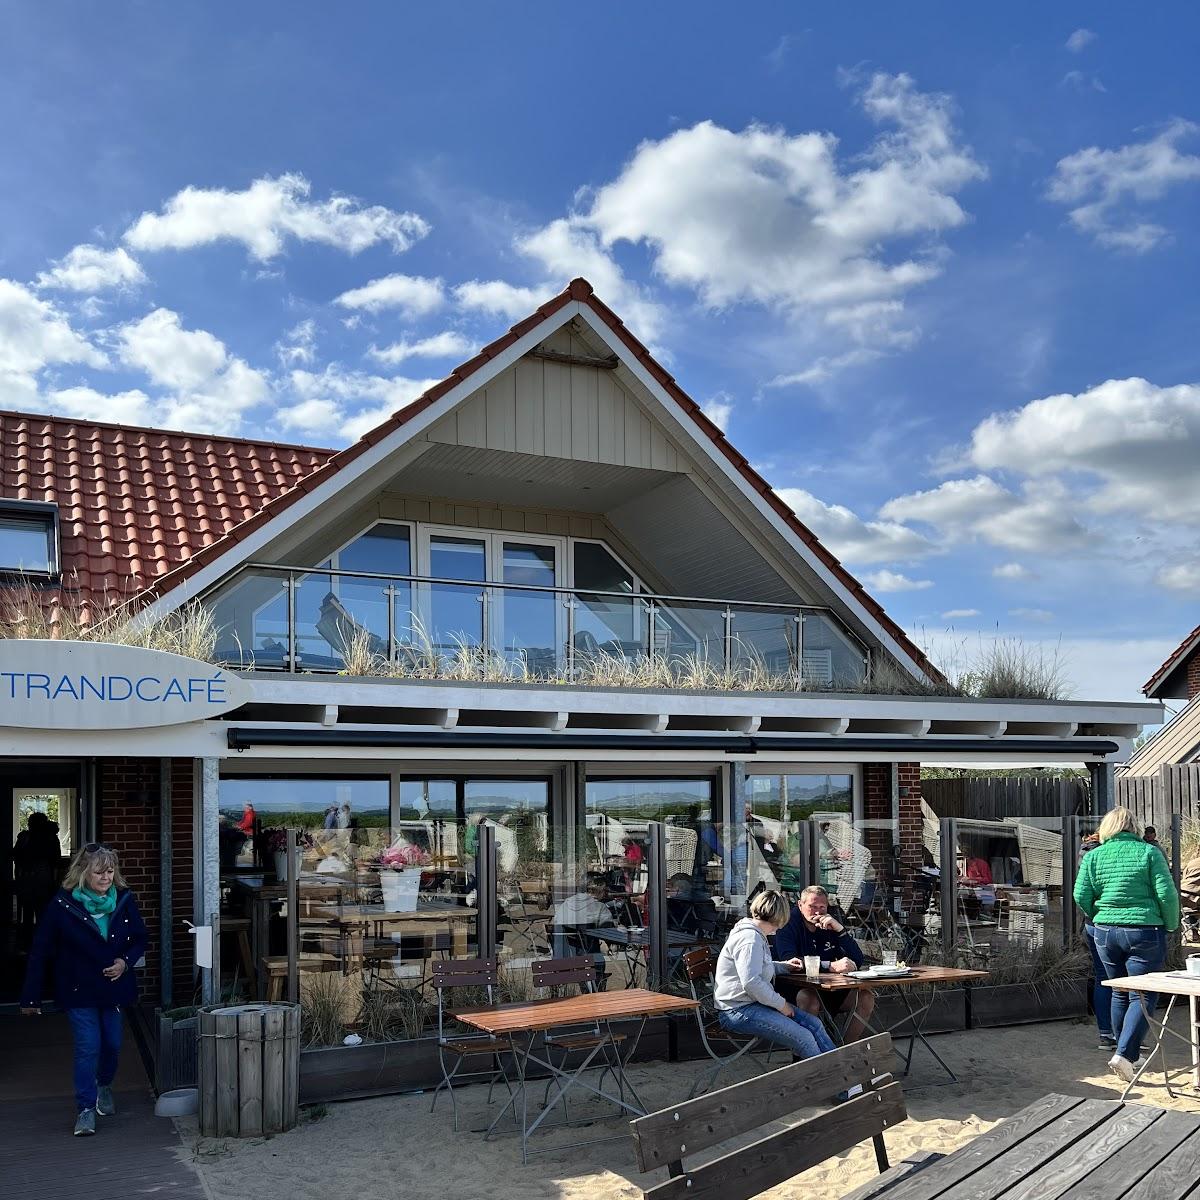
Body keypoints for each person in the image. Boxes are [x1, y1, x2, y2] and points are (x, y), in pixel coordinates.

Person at [19, 843, 148, 1137]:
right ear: (83, 872)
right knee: (88, 1046)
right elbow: (40, 951)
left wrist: (124, 962)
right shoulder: (62, 905)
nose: (105, 877)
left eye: (110, 871)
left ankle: (104, 1086)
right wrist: (30, 995)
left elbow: (140, 939)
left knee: (113, 1045)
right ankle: (86, 1109)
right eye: (99, 871)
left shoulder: (124, 900)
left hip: (114, 987)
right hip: (77, 988)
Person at [1074, 807, 1179, 1082]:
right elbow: (1167, 894)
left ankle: (1125, 1053)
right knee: (1143, 994)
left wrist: (1099, 915)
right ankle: (1125, 1054)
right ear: (1135, 827)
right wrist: (1171, 925)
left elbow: (1080, 894)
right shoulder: (1149, 853)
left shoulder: (1093, 855)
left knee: (1120, 991)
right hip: (1145, 930)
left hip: (1105, 931)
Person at [714, 889, 836, 1062]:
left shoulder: (754, 934)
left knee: (814, 1025)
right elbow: (752, 982)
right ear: (780, 916)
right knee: (804, 1037)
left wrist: (784, 967)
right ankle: (836, 1085)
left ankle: (845, 1078)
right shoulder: (750, 939)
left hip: (750, 1005)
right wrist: (781, 1005)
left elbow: (755, 968)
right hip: (737, 1010)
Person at [774, 885, 875, 1040]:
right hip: (792, 989)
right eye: (812, 906)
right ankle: (805, 1058)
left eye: (822, 907)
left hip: (827, 987)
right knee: (810, 999)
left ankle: (844, 1051)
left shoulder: (829, 923)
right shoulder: (788, 923)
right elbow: (791, 962)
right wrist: (831, 966)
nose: (817, 912)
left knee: (866, 998)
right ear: (800, 905)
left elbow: (858, 958)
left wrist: (839, 929)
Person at [1078, 830, 1114, 1051]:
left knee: (1102, 977)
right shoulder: (1103, 853)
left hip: (1093, 922)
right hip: (1108, 921)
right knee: (1121, 981)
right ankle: (1124, 1037)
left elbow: (1081, 894)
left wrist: (1092, 915)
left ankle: (1106, 1034)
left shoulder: (1086, 854)